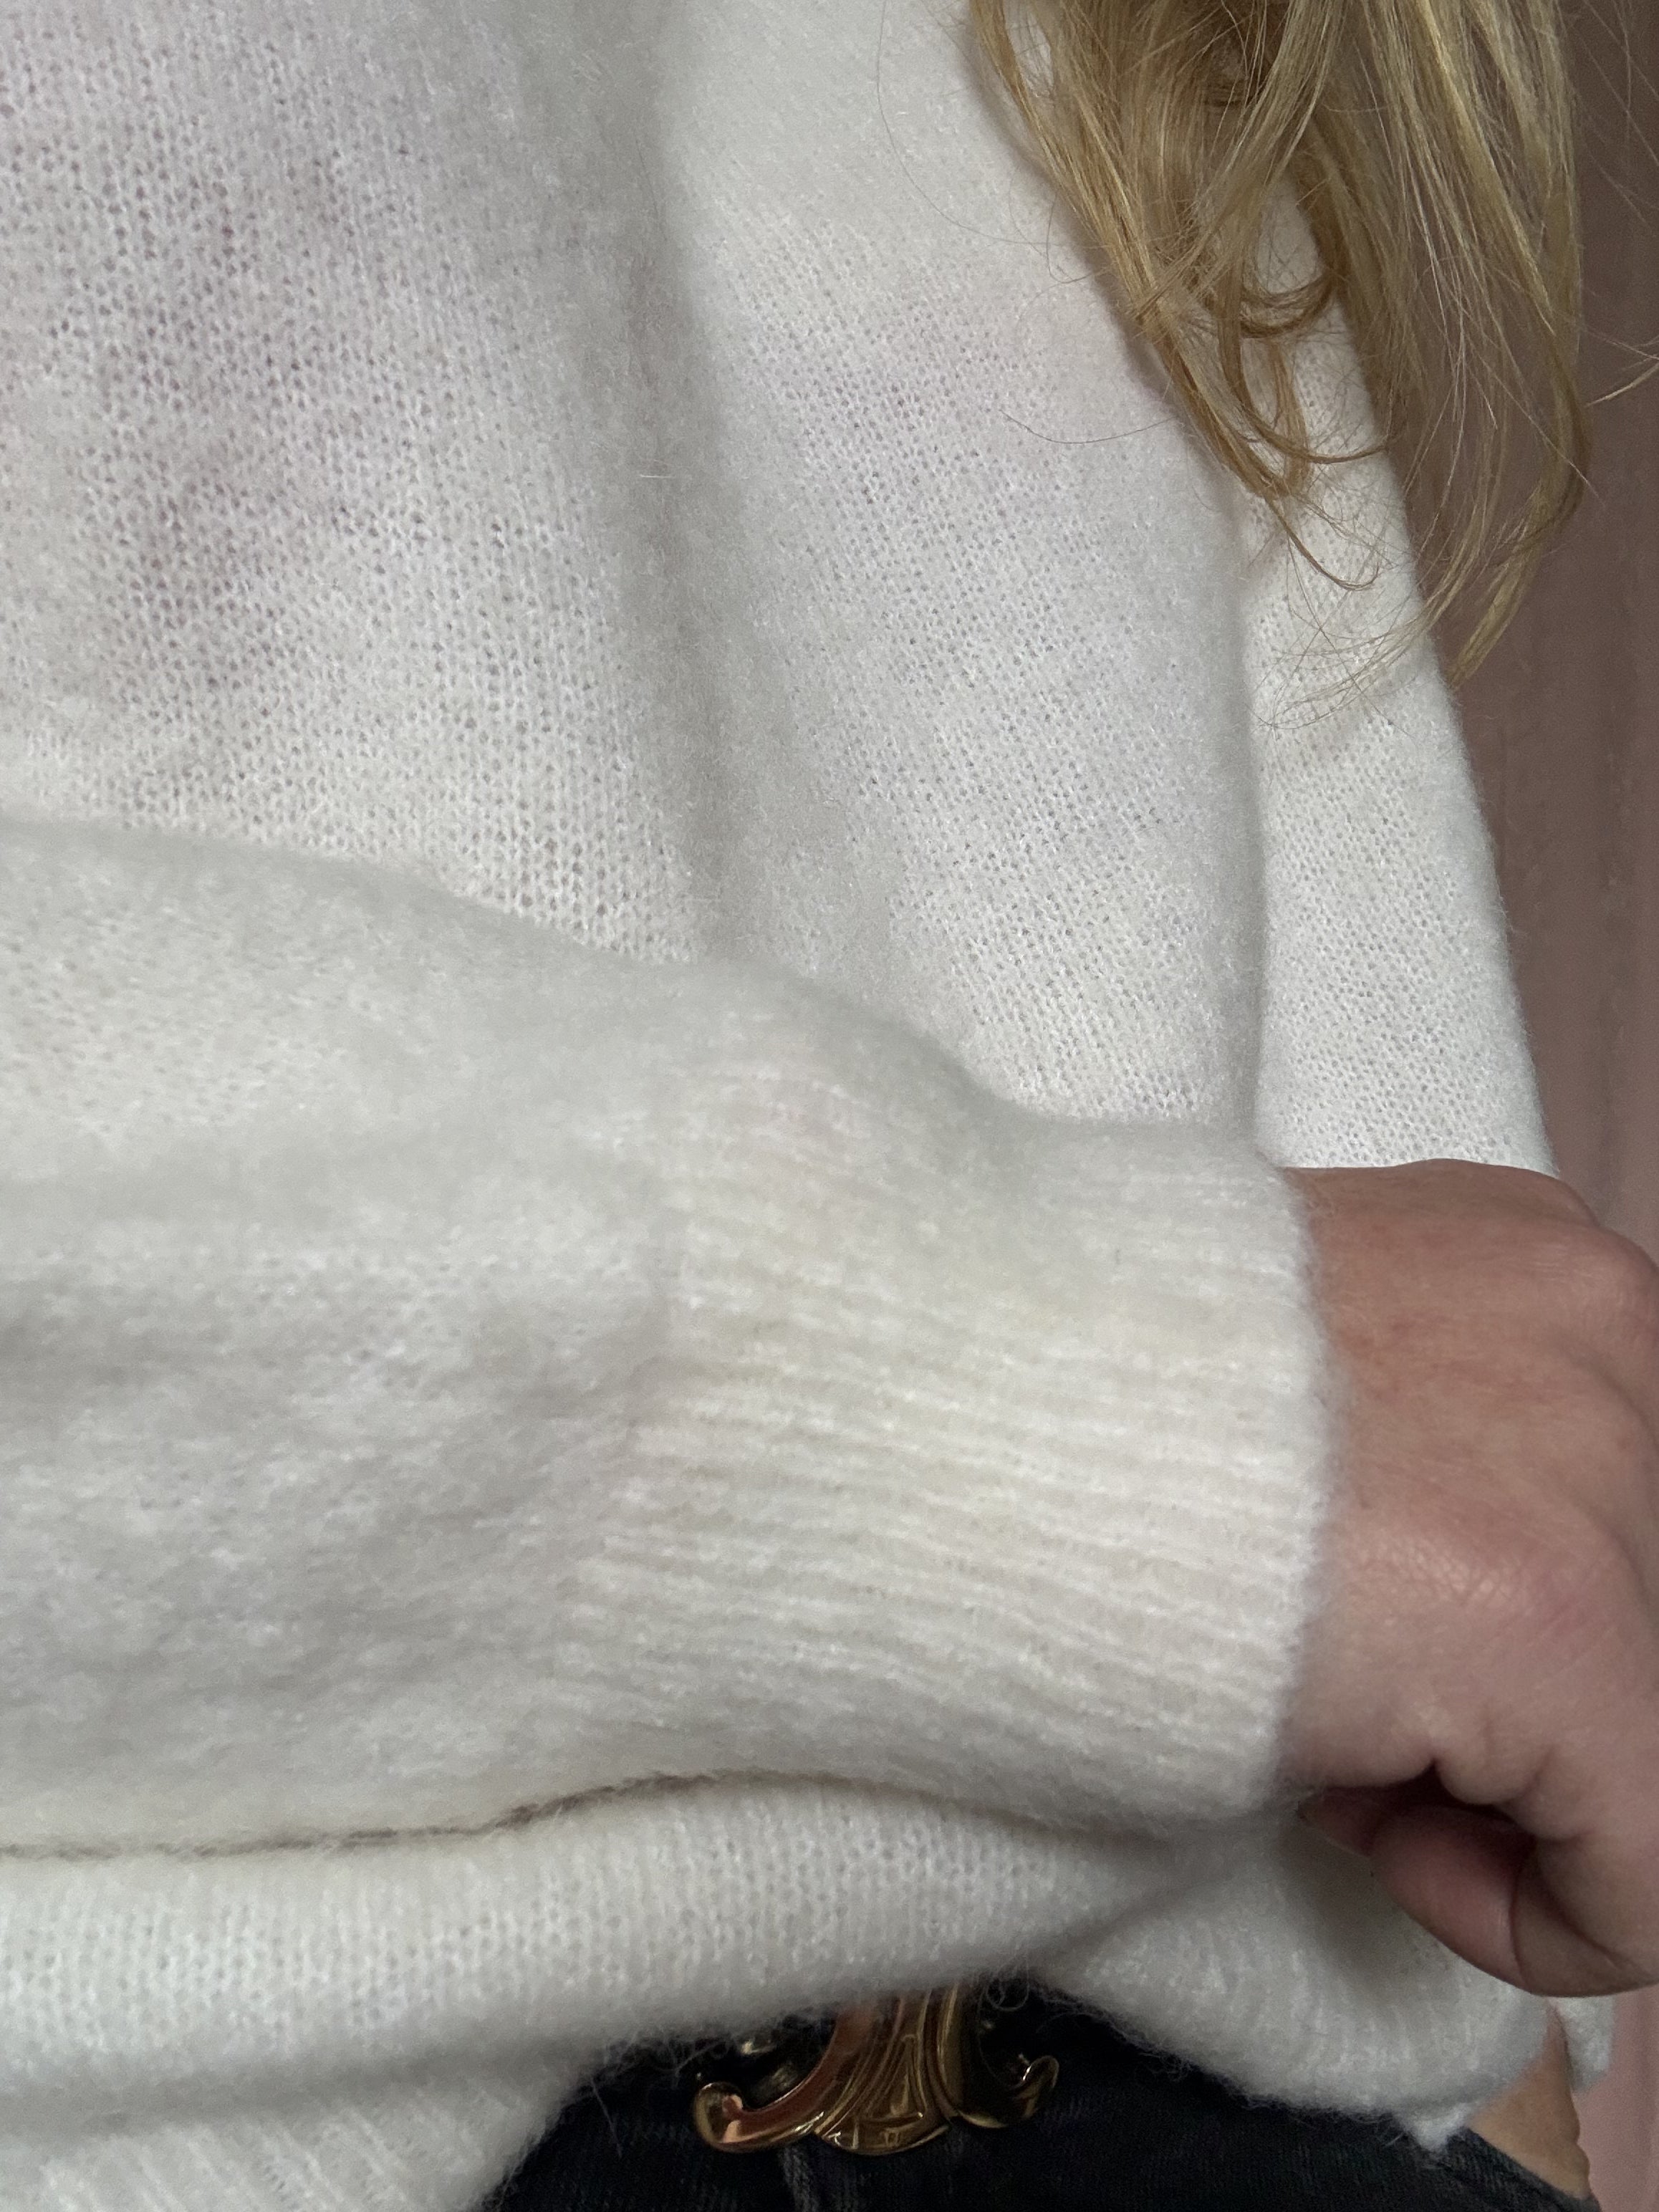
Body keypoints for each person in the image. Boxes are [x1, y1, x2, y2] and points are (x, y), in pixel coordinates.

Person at [2, 1, 1655, 2207]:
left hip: (1249, 2087)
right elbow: (1310, 1374)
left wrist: (1486, 2075)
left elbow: (1359, 1110)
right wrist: (1129, 1398)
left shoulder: (1123, 42)